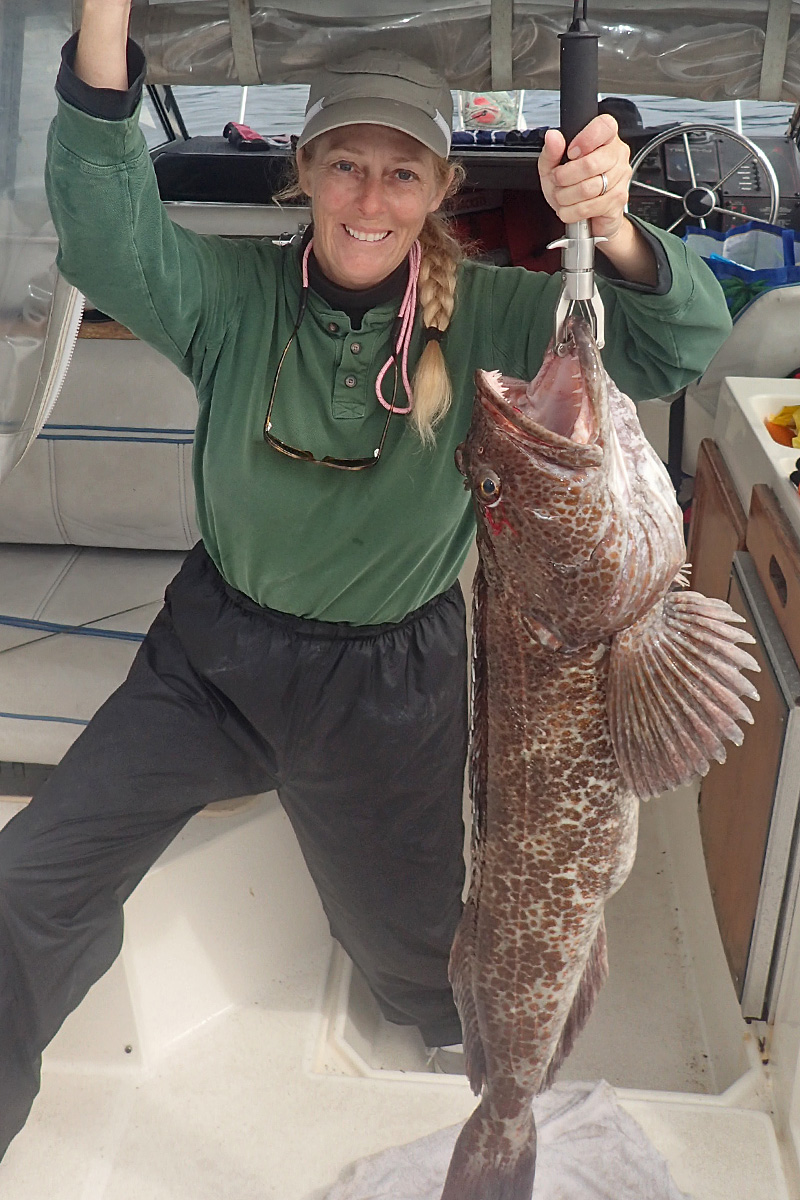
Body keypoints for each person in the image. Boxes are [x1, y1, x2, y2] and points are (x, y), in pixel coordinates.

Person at [0, 0, 732, 1160]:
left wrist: (615, 229)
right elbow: (102, 233)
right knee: (28, 885)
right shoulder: (229, 296)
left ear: (441, 190)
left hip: (394, 687)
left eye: (401, 173)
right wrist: (101, 23)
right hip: (208, 665)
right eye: (345, 164)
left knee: (415, 954)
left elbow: (668, 344)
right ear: (302, 173)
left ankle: (468, 1084)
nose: (370, 199)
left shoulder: (495, 313)